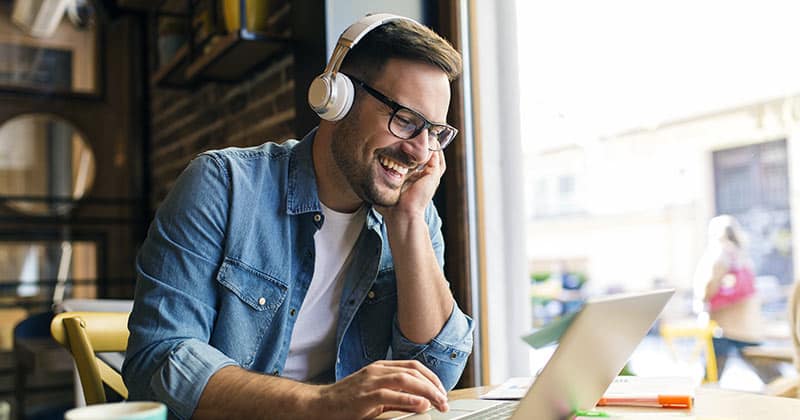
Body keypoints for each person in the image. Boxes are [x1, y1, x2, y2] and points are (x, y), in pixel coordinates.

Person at [122, 14, 474, 420]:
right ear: (336, 98)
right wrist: (323, 404)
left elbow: (436, 375)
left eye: (433, 133)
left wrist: (409, 222)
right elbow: (158, 360)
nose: (418, 151)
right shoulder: (223, 186)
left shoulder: (413, 212)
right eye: (406, 121)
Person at [693, 214, 780, 384]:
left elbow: (707, 289)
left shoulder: (719, 254)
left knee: (711, 376)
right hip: (747, 324)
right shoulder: (742, 255)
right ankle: (788, 394)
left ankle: (704, 403)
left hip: (723, 326)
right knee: (768, 372)